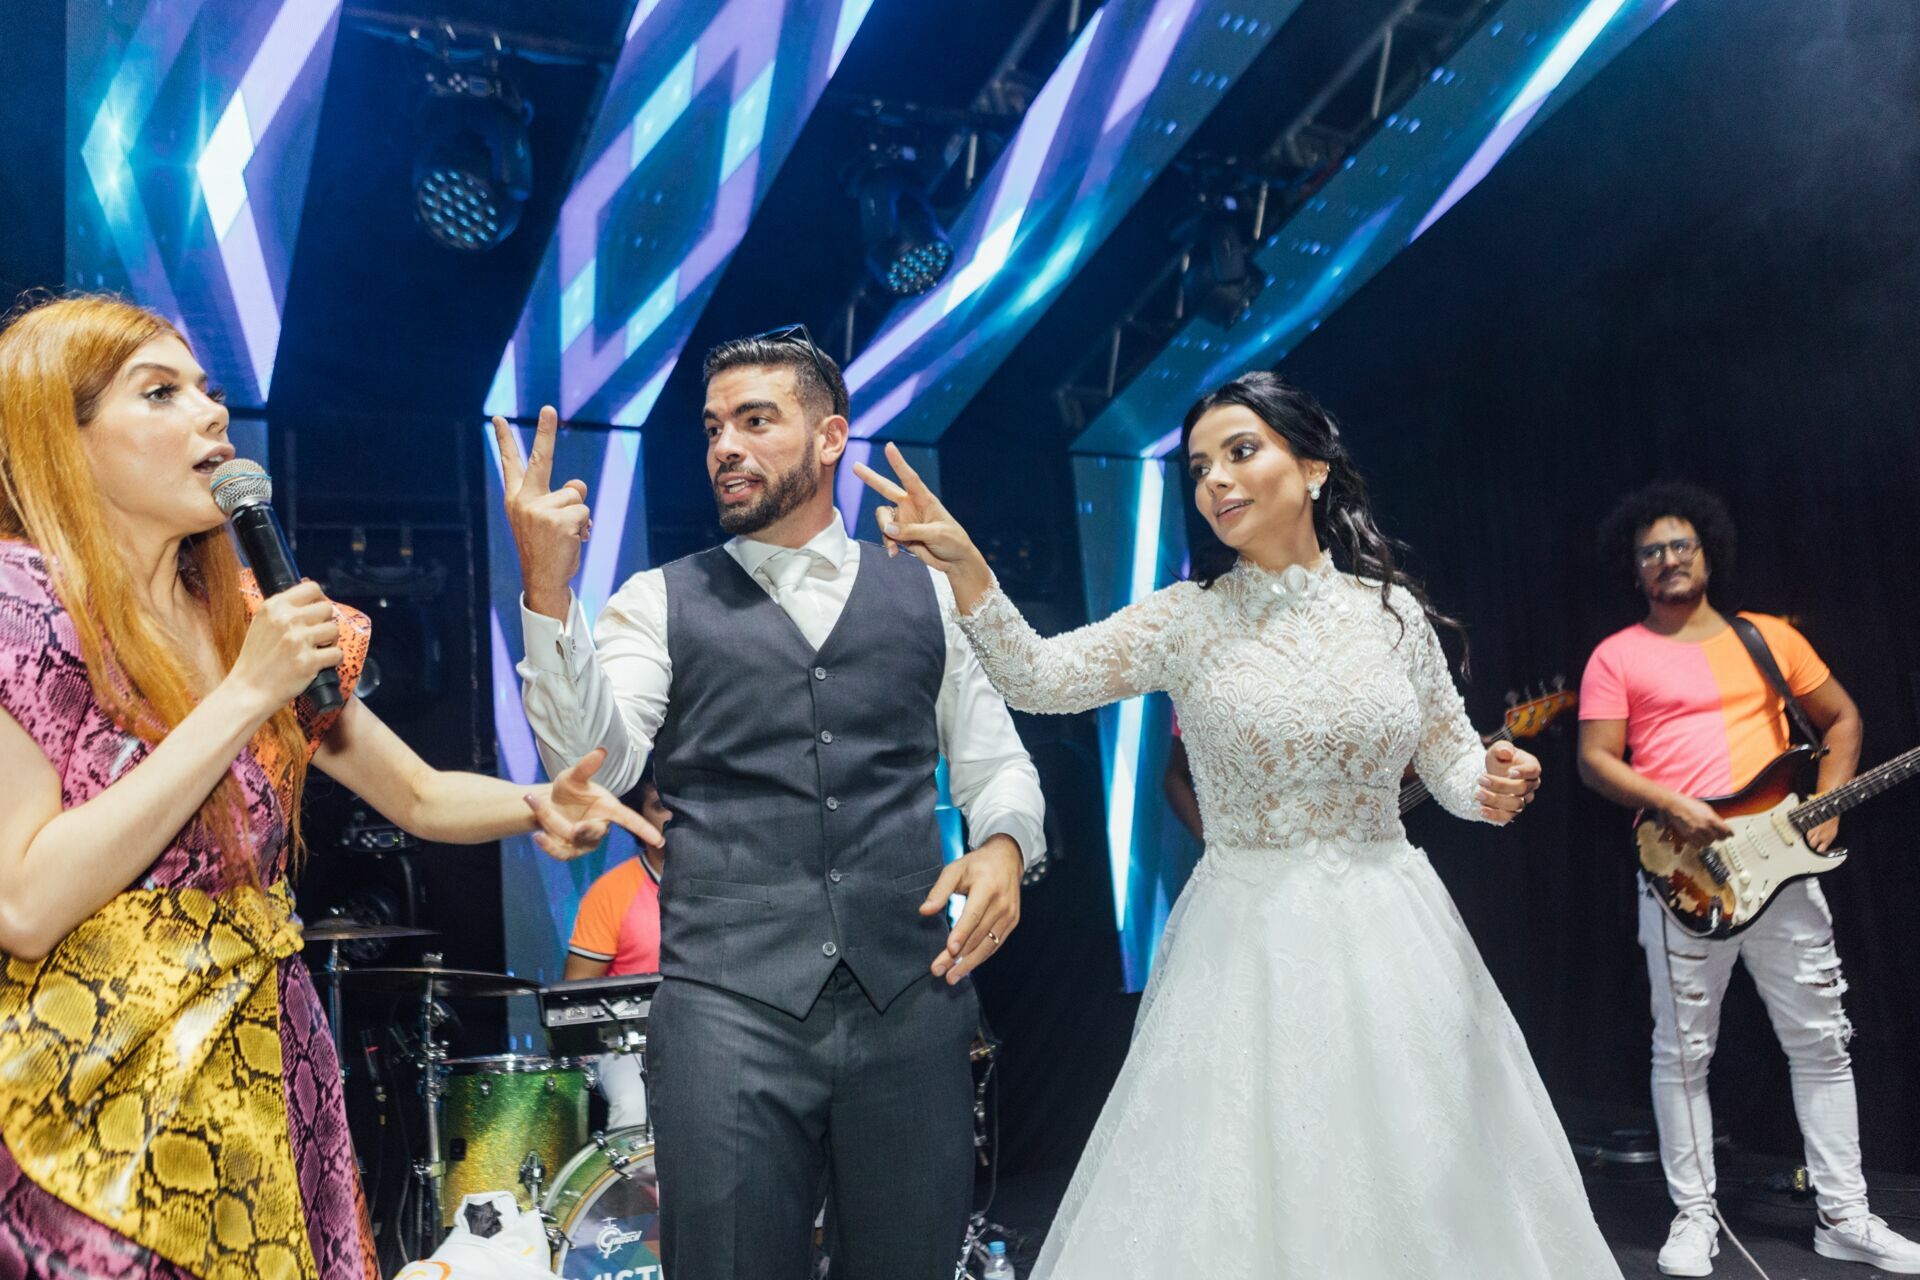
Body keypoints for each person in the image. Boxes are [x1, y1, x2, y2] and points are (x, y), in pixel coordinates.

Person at [854, 371, 1622, 1278]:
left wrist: (1491, 780)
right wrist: (968, 567)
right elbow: (1040, 679)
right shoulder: (1190, 619)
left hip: (1394, 930)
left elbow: (1451, 763)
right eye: (1199, 467)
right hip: (1245, 941)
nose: (1215, 480)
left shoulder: (1393, 614)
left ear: (1315, 468)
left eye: (1241, 452)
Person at [0, 296, 657, 1280]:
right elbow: (25, 900)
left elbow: (424, 795)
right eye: (161, 392)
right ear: (63, 434)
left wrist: (533, 803)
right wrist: (243, 693)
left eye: (211, 391)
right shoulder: (22, 609)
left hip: (269, 1062)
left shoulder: (247, 617)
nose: (211, 416)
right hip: (96, 1083)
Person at [495, 326, 1046, 1280]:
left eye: (757, 421)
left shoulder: (925, 596)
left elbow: (999, 764)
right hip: (727, 1015)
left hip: (912, 1002)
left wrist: (1004, 844)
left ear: (831, 437)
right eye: (713, 428)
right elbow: (592, 754)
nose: (725, 448)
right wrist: (548, 585)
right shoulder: (657, 600)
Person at [1576, 481, 1920, 1276]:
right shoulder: (1616, 655)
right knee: (1684, 1052)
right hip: (1682, 875)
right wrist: (1669, 801)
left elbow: (1843, 719)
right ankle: (1693, 1218)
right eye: (1651, 551)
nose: (1667, 559)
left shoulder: (1766, 637)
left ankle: (1846, 1216)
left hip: (1786, 868)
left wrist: (1828, 803)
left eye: (1680, 545)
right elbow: (1596, 761)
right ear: (1636, 570)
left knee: (1822, 1044)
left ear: (1708, 552)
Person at [563, 769, 673, 1129]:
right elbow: (574, 1002)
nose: (674, 814)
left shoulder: (723, 884)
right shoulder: (610, 892)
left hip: (713, 1037)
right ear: (637, 819)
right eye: (660, 806)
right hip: (627, 1047)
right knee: (633, 1104)